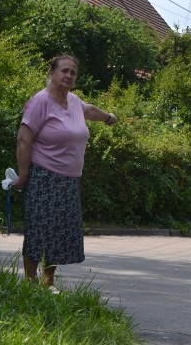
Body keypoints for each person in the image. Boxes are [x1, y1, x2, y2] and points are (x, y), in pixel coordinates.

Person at [10, 54, 118, 287]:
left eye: (73, 72)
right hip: (43, 177)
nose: (68, 75)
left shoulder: (74, 101)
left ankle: (48, 283)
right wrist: (24, 175)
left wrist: (108, 117)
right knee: (39, 230)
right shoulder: (40, 101)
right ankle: (30, 282)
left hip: (68, 181)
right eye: (64, 70)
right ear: (52, 73)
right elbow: (23, 140)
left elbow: (89, 110)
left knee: (58, 233)